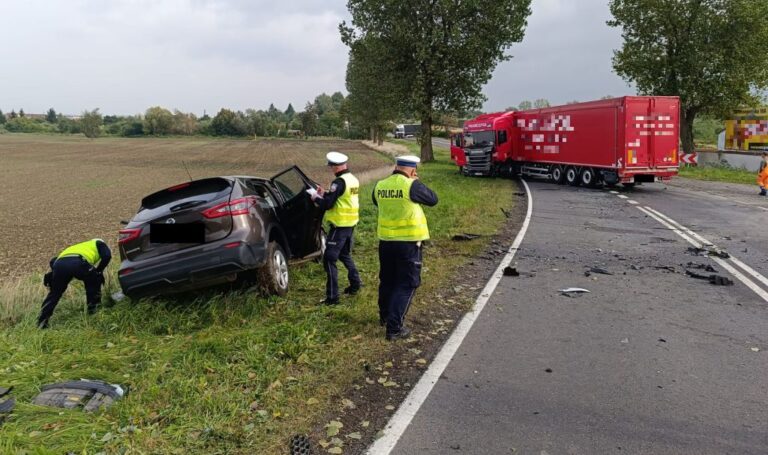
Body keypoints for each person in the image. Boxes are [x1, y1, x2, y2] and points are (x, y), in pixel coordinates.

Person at [373, 155, 438, 340]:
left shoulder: (380, 185)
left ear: (397, 166)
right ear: (412, 169)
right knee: (407, 284)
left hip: (386, 241)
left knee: (387, 280)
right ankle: (394, 328)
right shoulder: (411, 185)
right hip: (408, 243)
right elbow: (433, 199)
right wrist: (417, 181)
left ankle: (385, 317)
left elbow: (378, 203)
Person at [310, 151, 362, 305]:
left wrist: (315, 198)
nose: (331, 169)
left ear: (335, 166)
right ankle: (355, 284)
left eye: (331, 166)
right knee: (345, 255)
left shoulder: (338, 182)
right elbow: (340, 197)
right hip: (350, 224)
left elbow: (328, 204)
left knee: (329, 260)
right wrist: (324, 193)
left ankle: (332, 297)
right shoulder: (352, 179)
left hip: (339, 226)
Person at [38, 238, 112, 329]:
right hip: (78, 262)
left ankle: (41, 322)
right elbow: (107, 256)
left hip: (59, 264)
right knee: (94, 282)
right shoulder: (99, 243)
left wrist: (54, 274)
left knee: (54, 294)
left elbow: (53, 261)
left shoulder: (79, 246)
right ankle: (94, 313)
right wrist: (98, 271)